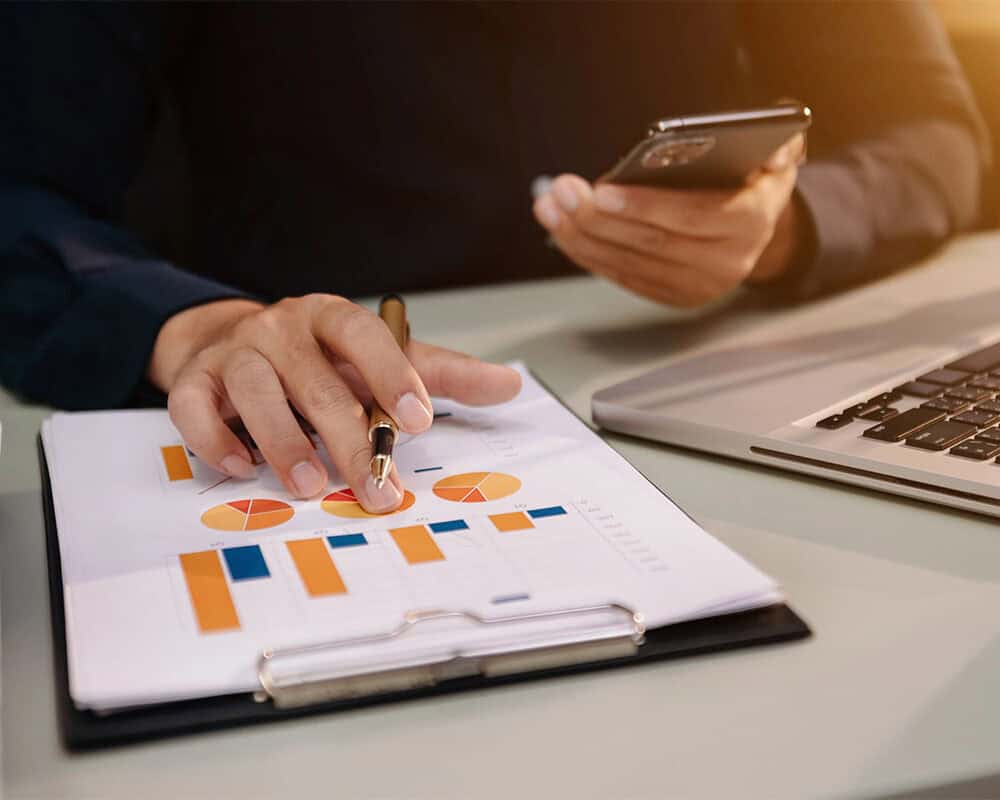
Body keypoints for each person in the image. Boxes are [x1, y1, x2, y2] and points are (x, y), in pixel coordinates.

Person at [0, 2, 988, 512]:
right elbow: (22, 190)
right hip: (309, 416)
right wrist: (201, 327)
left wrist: (782, 226)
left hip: (701, 393)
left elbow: (933, 132)